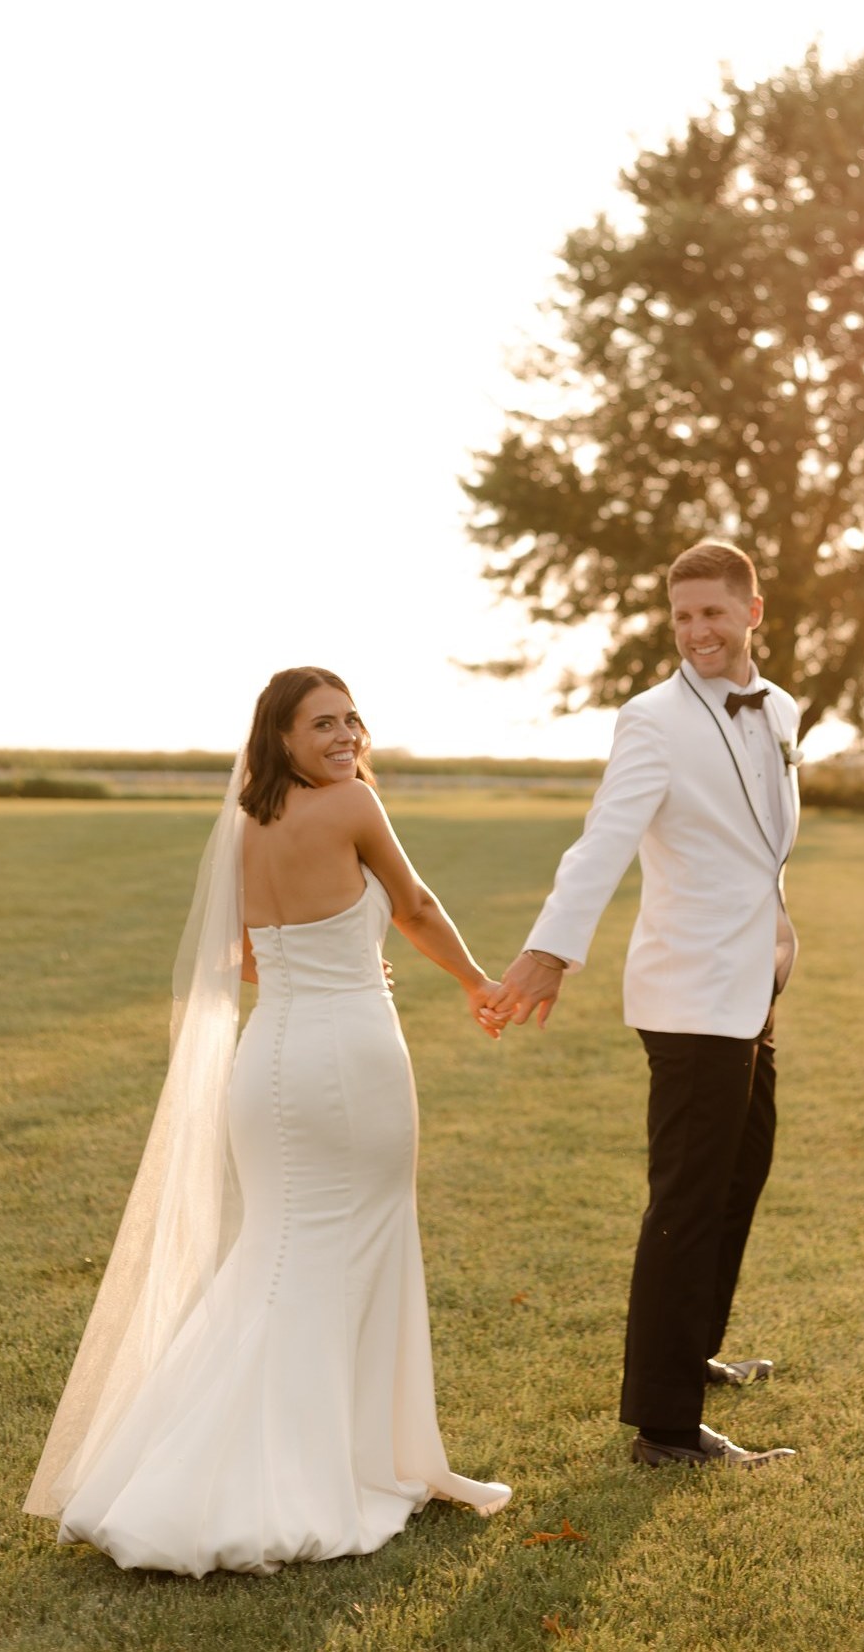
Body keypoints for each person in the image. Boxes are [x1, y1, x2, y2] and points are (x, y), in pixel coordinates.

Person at [25, 666, 510, 1574]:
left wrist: (317, 968)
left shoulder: (244, 825)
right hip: (350, 1062)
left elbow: (237, 954)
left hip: (271, 1064)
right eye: (322, 725)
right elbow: (414, 905)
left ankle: (207, 1462)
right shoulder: (353, 807)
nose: (345, 738)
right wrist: (478, 982)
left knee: (279, 1259)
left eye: (352, 721)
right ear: (280, 737)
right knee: (343, 1254)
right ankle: (324, 1469)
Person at [493, 540, 800, 1471]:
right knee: (687, 1200)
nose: (696, 631)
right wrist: (548, 952)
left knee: (740, 1175)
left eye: (713, 613)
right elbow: (601, 844)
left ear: (753, 612)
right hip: (687, 995)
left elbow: (761, 844)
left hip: (752, 981)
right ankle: (663, 1427)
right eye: (681, 617)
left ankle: (689, 1352)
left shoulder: (780, 708)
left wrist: (784, 922)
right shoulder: (651, 719)